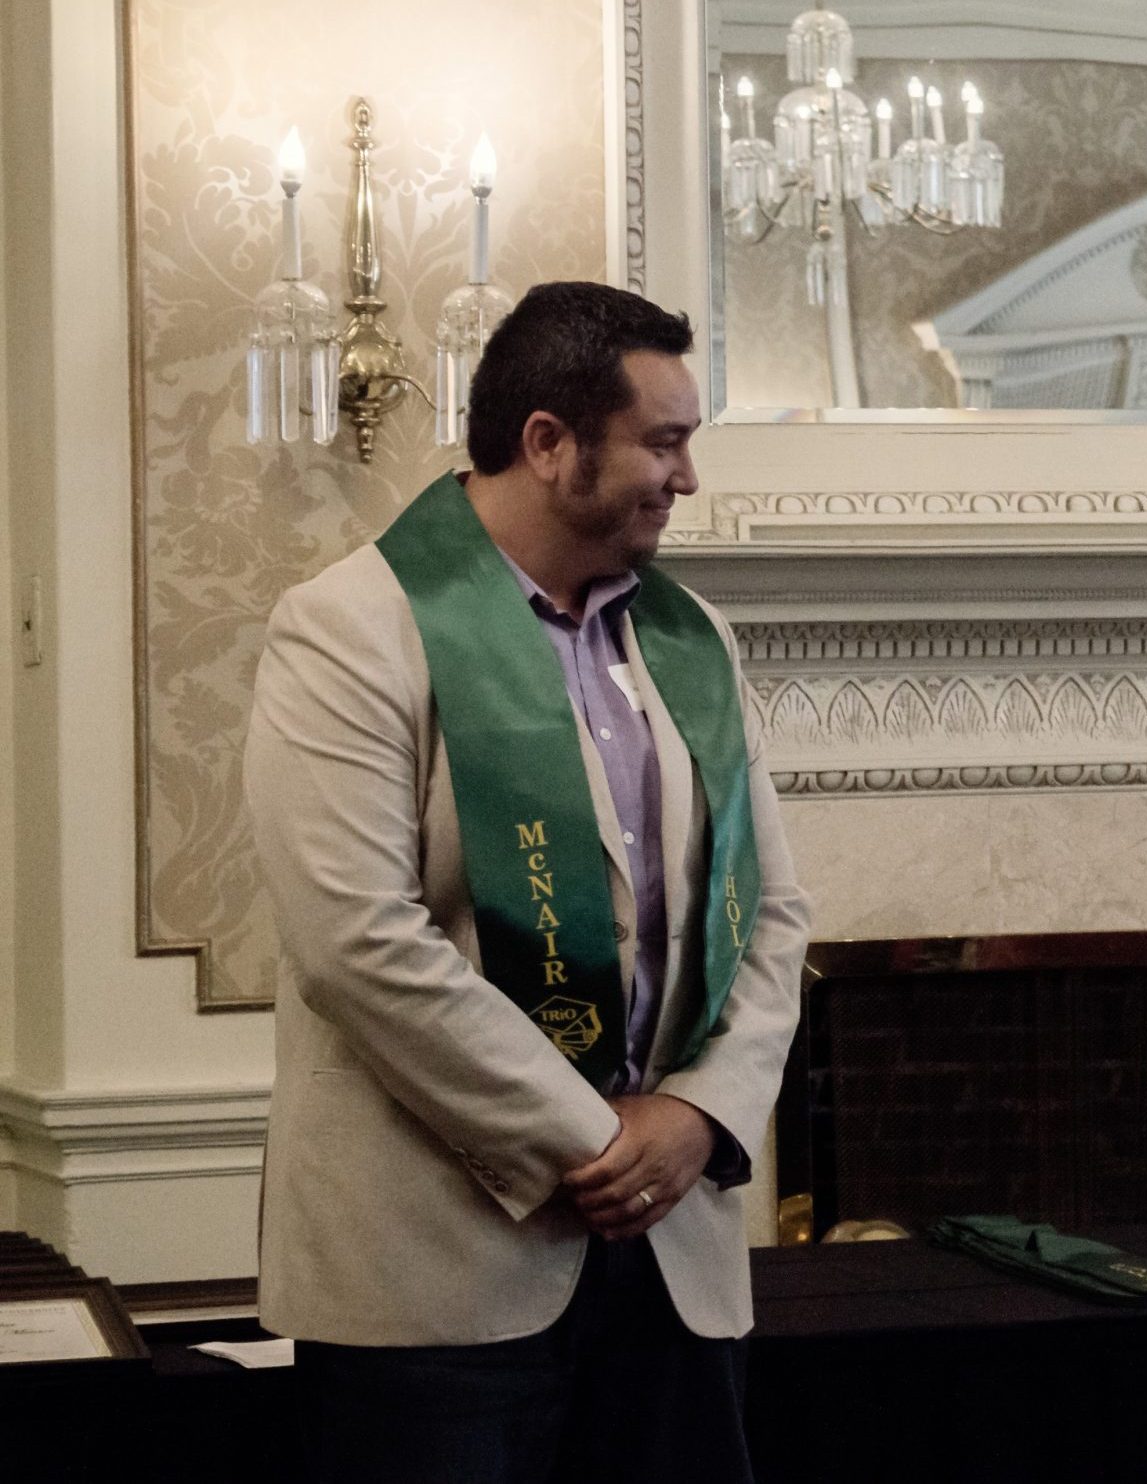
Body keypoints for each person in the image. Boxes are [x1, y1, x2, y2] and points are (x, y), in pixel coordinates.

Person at [244, 281, 810, 1481]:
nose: (688, 476)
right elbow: (359, 943)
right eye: (665, 441)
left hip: (673, 1253)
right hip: (438, 1274)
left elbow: (771, 912)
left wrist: (700, 1116)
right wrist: (598, 1137)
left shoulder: (693, 637)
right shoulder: (349, 627)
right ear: (549, 442)